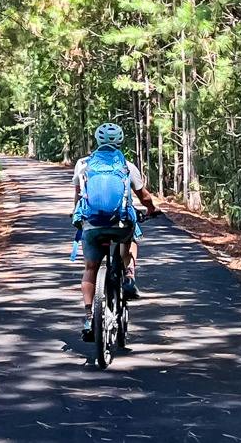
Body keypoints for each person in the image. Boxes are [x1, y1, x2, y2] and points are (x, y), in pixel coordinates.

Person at [72, 121, 160, 340]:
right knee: (132, 236)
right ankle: (129, 277)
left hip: (91, 224)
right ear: (120, 142)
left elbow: (78, 196)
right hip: (120, 225)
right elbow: (144, 197)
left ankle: (89, 317)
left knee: (90, 268)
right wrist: (152, 209)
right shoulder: (127, 166)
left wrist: (77, 216)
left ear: (97, 140)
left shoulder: (83, 165)